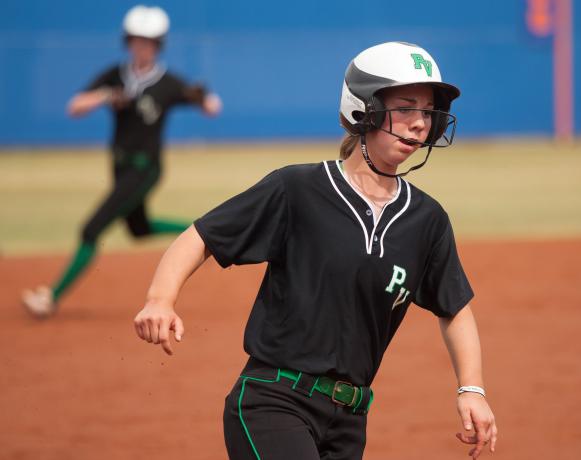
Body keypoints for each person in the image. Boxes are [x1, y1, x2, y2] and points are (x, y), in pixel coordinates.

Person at [133, 41, 497, 459]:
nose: (419, 123)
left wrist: (472, 389)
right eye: (406, 106)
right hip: (274, 402)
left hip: (349, 421)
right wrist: (160, 299)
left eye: (428, 112)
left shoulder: (427, 219)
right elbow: (202, 236)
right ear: (365, 107)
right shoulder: (298, 190)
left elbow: (454, 308)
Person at [22, 5, 222, 318]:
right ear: (127, 41)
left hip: (145, 169)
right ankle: (209, 229)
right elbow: (74, 106)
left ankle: (51, 297)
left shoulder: (168, 82)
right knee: (138, 228)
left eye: (149, 41)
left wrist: (201, 96)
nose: (141, 46)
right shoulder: (115, 76)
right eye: (136, 40)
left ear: (159, 45)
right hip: (120, 165)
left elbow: (213, 107)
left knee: (91, 229)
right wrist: (105, 96)